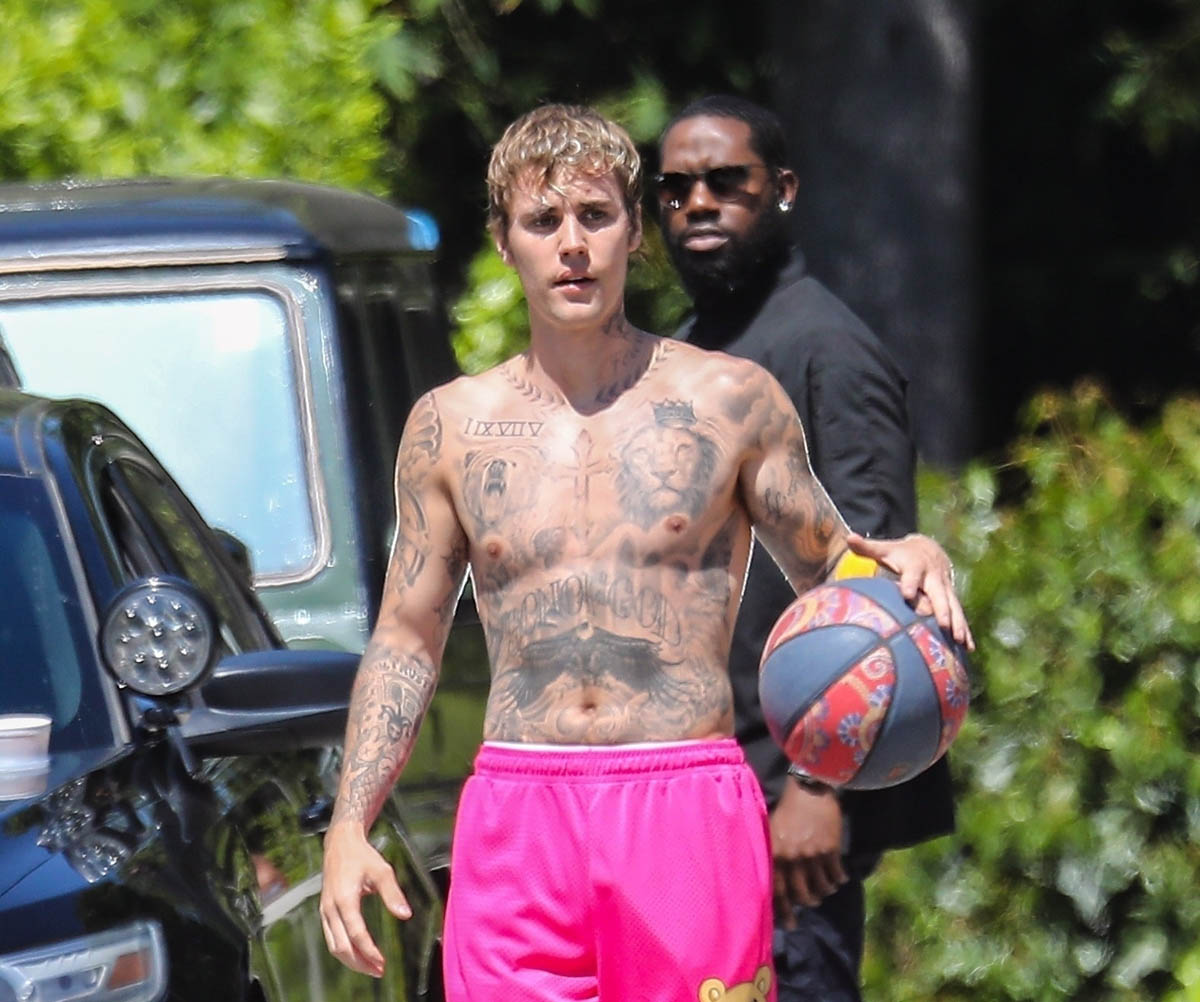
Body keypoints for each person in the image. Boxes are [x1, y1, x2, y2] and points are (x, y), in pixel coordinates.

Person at [319, 102, 971, 1002]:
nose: (572, 245)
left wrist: (916, 557)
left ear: (635, 231)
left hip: (684, 805)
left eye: (596, 216)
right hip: (519, 812)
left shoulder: (731, 400)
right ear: (504, 243)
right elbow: (406, 637)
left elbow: (835, 571)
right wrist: (349, 824)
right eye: (543, 221)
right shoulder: (451, 427)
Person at [656, 94, 959, 1002]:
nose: (698, 203)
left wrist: (816, 788)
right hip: (693, 789)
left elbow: (870, 591)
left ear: (783, 189)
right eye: (675, 188)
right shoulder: (688, 354)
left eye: (726, 181)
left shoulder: (828, 350)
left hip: (785, 812)